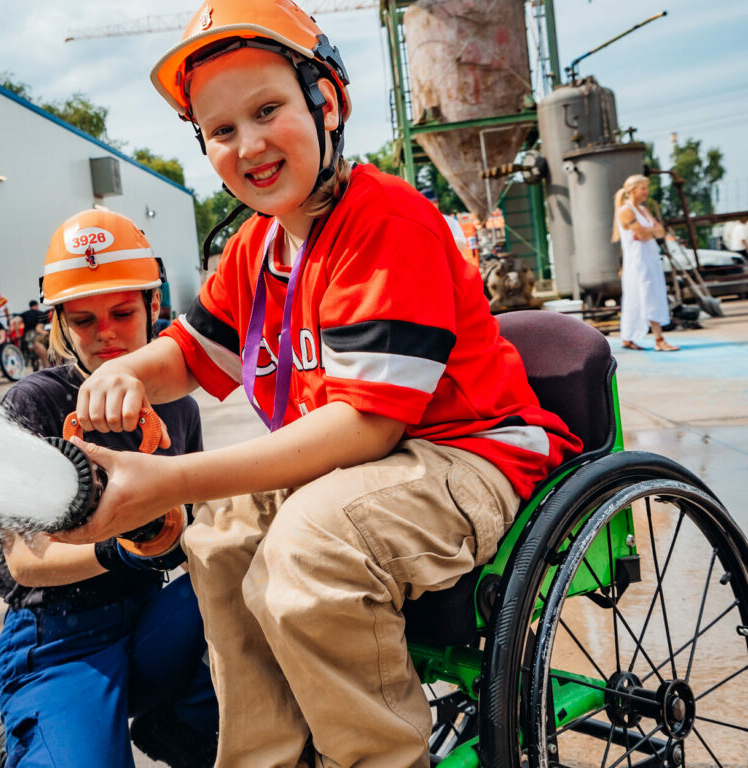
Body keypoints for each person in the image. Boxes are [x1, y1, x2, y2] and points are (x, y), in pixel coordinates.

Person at [56, 3, 583, 766]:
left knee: (309, 550)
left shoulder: (387, 221)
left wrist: (167, 478)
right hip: (368, 466)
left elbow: (366, 426)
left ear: (324, 101)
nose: (249, 144)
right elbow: (195, 353)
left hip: (466, 455)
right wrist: (129, 368)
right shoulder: (256, 247)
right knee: (222, 536)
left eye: (267, 109)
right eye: (222, 131)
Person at [0, 208, 218, 768]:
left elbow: (196, 527)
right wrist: (121, 544)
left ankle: (182, 724)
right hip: (58, 642)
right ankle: (29, 735)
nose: (107, 333)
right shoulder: (35, 403)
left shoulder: (179, 407)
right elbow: (23, 563)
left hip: (147, 621)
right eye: (85, 319)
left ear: (153, 306)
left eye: (121, 312)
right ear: (62, 322)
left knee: (238, 581)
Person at [612, 174, 680, 352]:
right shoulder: (626, 211)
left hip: (651, 259)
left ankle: (628, 337)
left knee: (644, 296)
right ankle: (659, 339)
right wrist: (650, 232)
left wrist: (648, 232)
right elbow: (643, 234)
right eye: (643, 188)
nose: (646, 192)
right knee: (646, 296)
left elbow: (659, 231)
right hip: (638, 262)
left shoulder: (643, 210)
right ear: (633, 190)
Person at [18, 299, 51, 369]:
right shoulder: (41, 313)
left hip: (27, 335)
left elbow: (16, 321)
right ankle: (40, 361)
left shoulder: (25, 313)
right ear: (36, 305)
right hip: (36, 333)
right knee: (40, 346)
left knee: (33, 347)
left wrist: (18, 334)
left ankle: (35, 360)